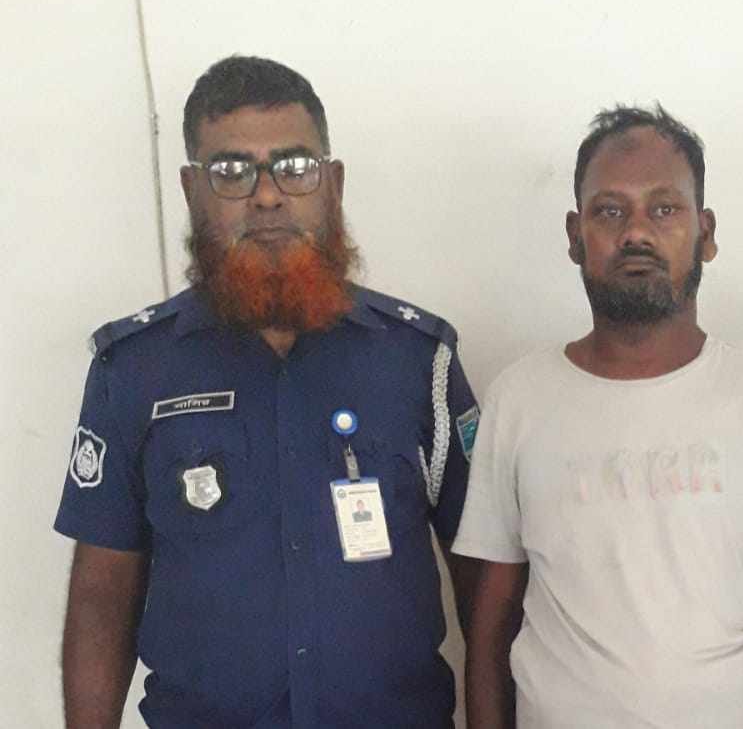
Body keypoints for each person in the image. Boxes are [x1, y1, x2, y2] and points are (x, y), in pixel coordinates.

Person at [55, 55, 480, 728]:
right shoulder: (132, 371)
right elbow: (102, 595)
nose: (267, 195)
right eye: (232, 171)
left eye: (294, 166)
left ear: (333, 183)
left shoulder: (417, 359)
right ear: (192, 189)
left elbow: (484, 575)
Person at [454, 106, 743, 729]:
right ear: (575, 235)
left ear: (705, 232)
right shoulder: (518, 399)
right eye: (610, 211)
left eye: (664, 209)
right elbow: (490, 627)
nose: (636, 232)